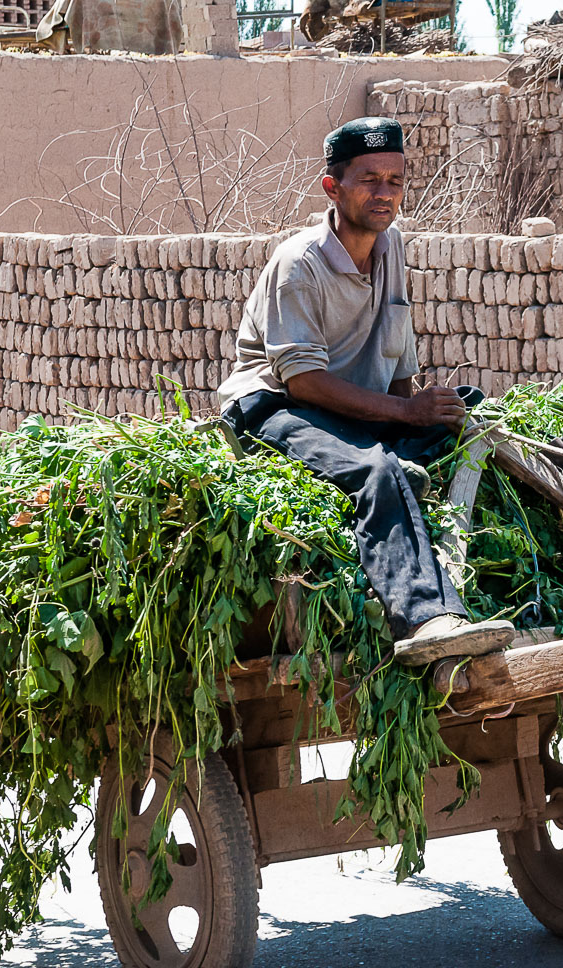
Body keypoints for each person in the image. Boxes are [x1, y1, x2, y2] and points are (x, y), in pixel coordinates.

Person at [216, 116, 514, 664]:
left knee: (470, 408)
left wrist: (419, 413)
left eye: (395, 181)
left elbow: (398, 351)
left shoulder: (390, 244)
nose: (385, 193)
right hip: (276, 404)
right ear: (333, 187)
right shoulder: (298, 264)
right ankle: (426, 620)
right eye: (369, 179)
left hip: (349, 406)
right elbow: (303, 381)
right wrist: (404, 410)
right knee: (376, 472)